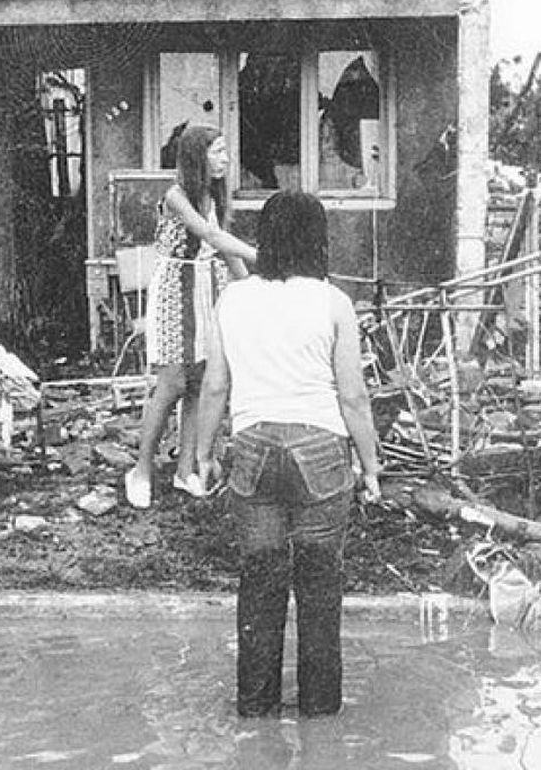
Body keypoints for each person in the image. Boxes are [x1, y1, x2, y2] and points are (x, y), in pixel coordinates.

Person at [191, 190, 382, 717]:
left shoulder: (233, 299)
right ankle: (320, 714)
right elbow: (353, 397)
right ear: (318, 240)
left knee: (260, 580)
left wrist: (204, 455)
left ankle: (256, 710)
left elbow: (214, 387)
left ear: (265, 239)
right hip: (321, 451)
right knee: (320, 584)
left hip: (251, 450)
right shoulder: (333, 302)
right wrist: (370, 467)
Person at [124, 123, 257, 509]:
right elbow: (213, 238)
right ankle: (142, 470)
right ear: (197, 157)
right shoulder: (177, 196)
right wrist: (263, 257)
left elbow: (223, 247)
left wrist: (248, 286)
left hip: (208, 285)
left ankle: (186, 470)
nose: (226, 159)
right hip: (174, 289)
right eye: (218, 152)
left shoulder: (212, 196)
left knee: (201, 380)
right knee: (171, 383)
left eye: (225, 151)